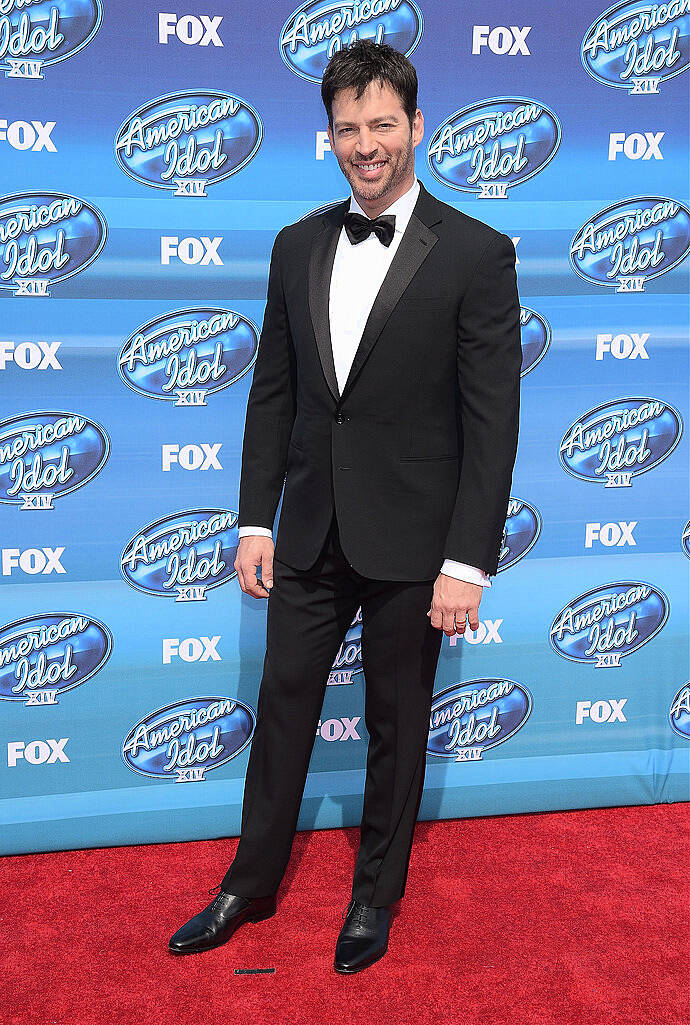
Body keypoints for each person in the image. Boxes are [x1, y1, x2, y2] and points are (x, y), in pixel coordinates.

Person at [169, 39, 521, 974]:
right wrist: (254, 519)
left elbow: (493, 422)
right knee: (282, 700)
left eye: (381, 125)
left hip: (416, 539)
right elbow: (272, 395)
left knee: (397, 722)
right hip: (312, 527)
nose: (365, 144)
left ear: (416, 126)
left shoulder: (479, 254)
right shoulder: (297, 244)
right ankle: (249, 881)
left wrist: (467, 560)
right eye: (346, 128)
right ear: (327, 136)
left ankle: (375, 893)